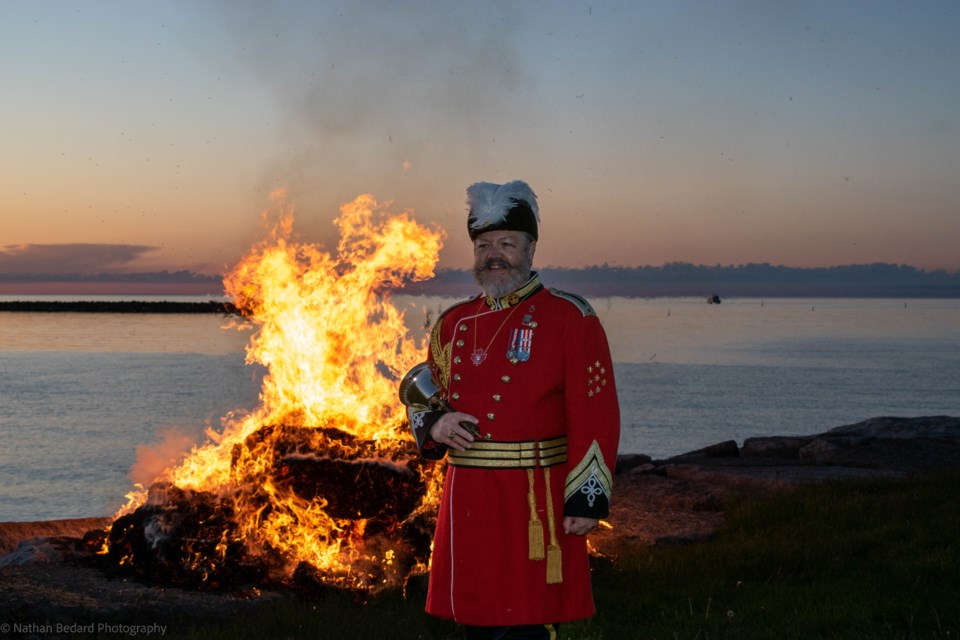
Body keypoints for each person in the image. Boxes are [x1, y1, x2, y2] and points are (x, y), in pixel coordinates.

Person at [401, 180, 621, 640]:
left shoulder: (570, 317)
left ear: (531, 247)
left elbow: (596, 412)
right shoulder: (452, 323)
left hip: (533, 502)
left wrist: (587, 496)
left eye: (506, 243)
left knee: (526, 625)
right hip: (468, 500)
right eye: (483, 245)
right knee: (476, 623)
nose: (493, 254)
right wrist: (435, 424)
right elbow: (425, 391)